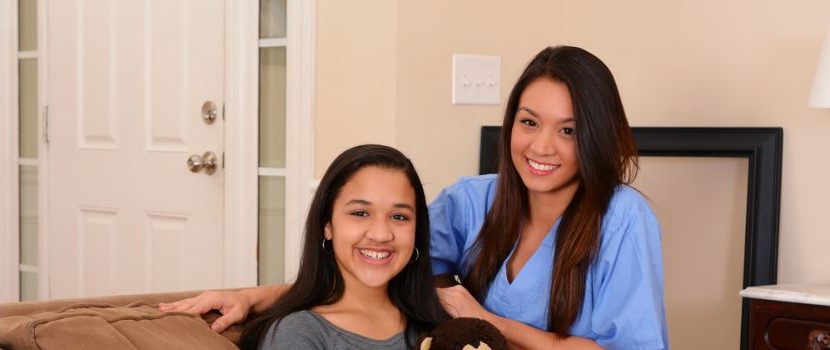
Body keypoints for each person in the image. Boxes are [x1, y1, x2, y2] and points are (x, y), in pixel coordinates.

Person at [163, 46, 666, 350]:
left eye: (569, 130)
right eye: (529, 122)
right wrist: (254, 298)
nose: (540, 147)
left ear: (597, 136)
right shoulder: (471, 202)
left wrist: (490, 323)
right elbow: (374, 259)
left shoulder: (623, 218)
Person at [235, 144, 452, 350]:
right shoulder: (297, 332)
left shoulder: (442, 327)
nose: (381, 234)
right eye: (360, 213)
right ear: (327, 225)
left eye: (399, 216)